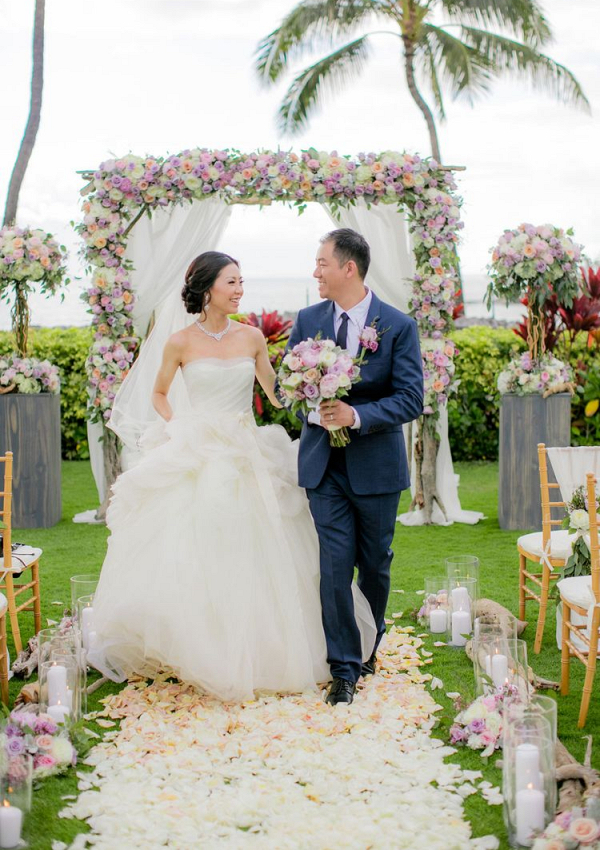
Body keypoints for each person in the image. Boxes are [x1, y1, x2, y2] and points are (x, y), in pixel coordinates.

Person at [88, 251, 375, 701]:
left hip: (246, 449)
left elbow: (276, 396)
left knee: (260, 545)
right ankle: (198, 647)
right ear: (207, 288)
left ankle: (264, 648)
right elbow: (160, 393)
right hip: (199, 446)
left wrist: (314, 381)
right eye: (232, 282)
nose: (240, 289)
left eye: (242, 281)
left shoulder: (253, 337)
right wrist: (178, 424)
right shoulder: (180, 342)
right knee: (198, 545)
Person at [287, 228, 424, 706]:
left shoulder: (397, 325)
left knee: (375, 565)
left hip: (377, 468)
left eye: (322, 262)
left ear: (349, 268)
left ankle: (370, 643)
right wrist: (315, 410)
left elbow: (411, 398)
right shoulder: (306, 320)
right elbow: (292, 388)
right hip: (323, 467)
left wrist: (356, 416)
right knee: (333, 566)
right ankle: (343, 668)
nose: (315, 271)